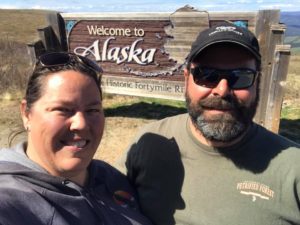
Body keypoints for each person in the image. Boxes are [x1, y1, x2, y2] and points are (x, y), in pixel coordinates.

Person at [117, 22, 300, 225]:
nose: (222, 90)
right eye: (207, 75)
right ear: (186, 80)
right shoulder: (149, 142)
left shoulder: (294, 168)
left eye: (240, 77)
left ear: (257, 84)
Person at [0, 52, 152, 225]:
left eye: (92, 110)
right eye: (63, 109)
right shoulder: (9, 202)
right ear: (26, 114)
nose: (81, 124)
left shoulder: (109, 177)